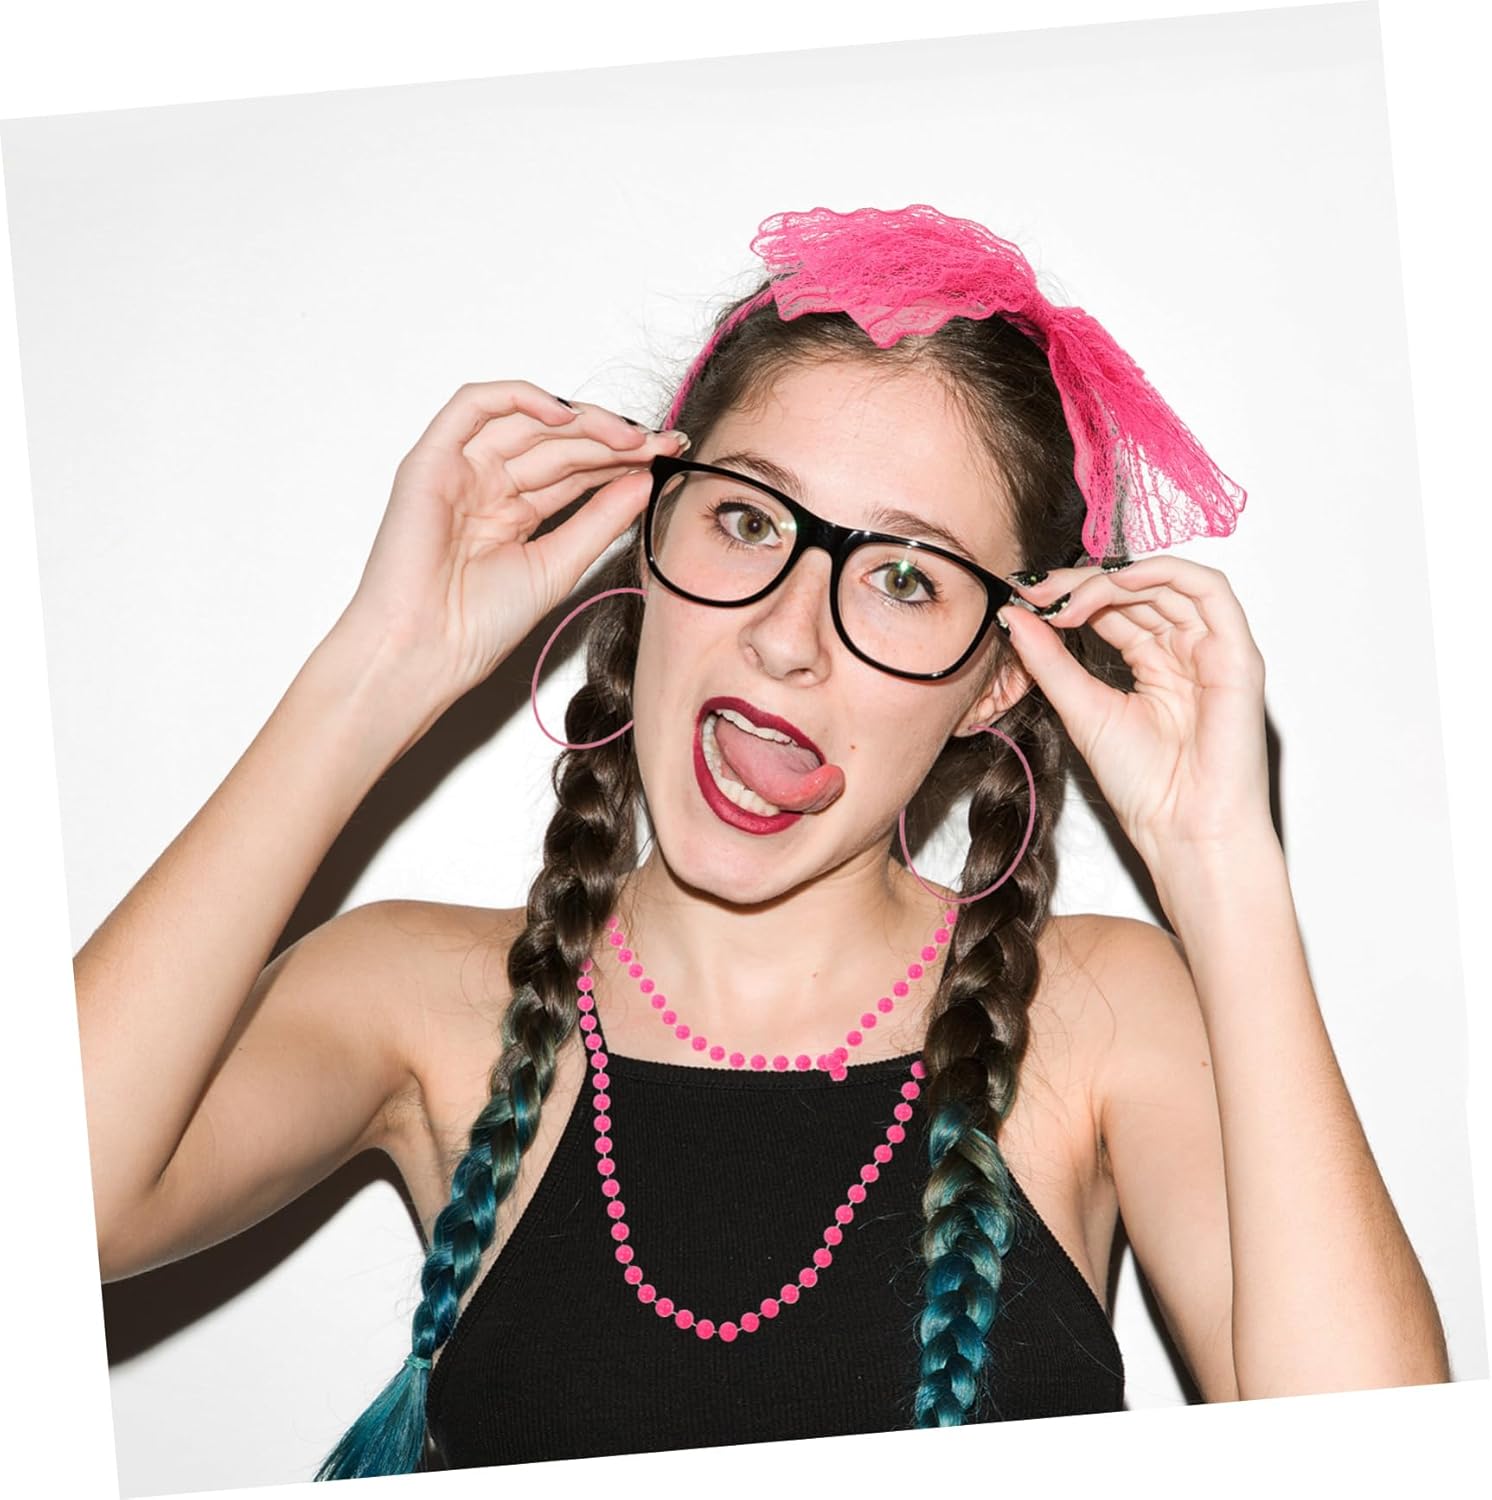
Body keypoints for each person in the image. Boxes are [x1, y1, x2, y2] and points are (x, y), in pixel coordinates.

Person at [75, 205, 1449, 1479]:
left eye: (905, 578)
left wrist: (1223, 863)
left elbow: (1378, 1473)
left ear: (997, 678)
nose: (789, 637)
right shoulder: (413, 997)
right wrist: (377, 670)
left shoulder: (1106, 1021)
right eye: (746, 518)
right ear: (646, 534)